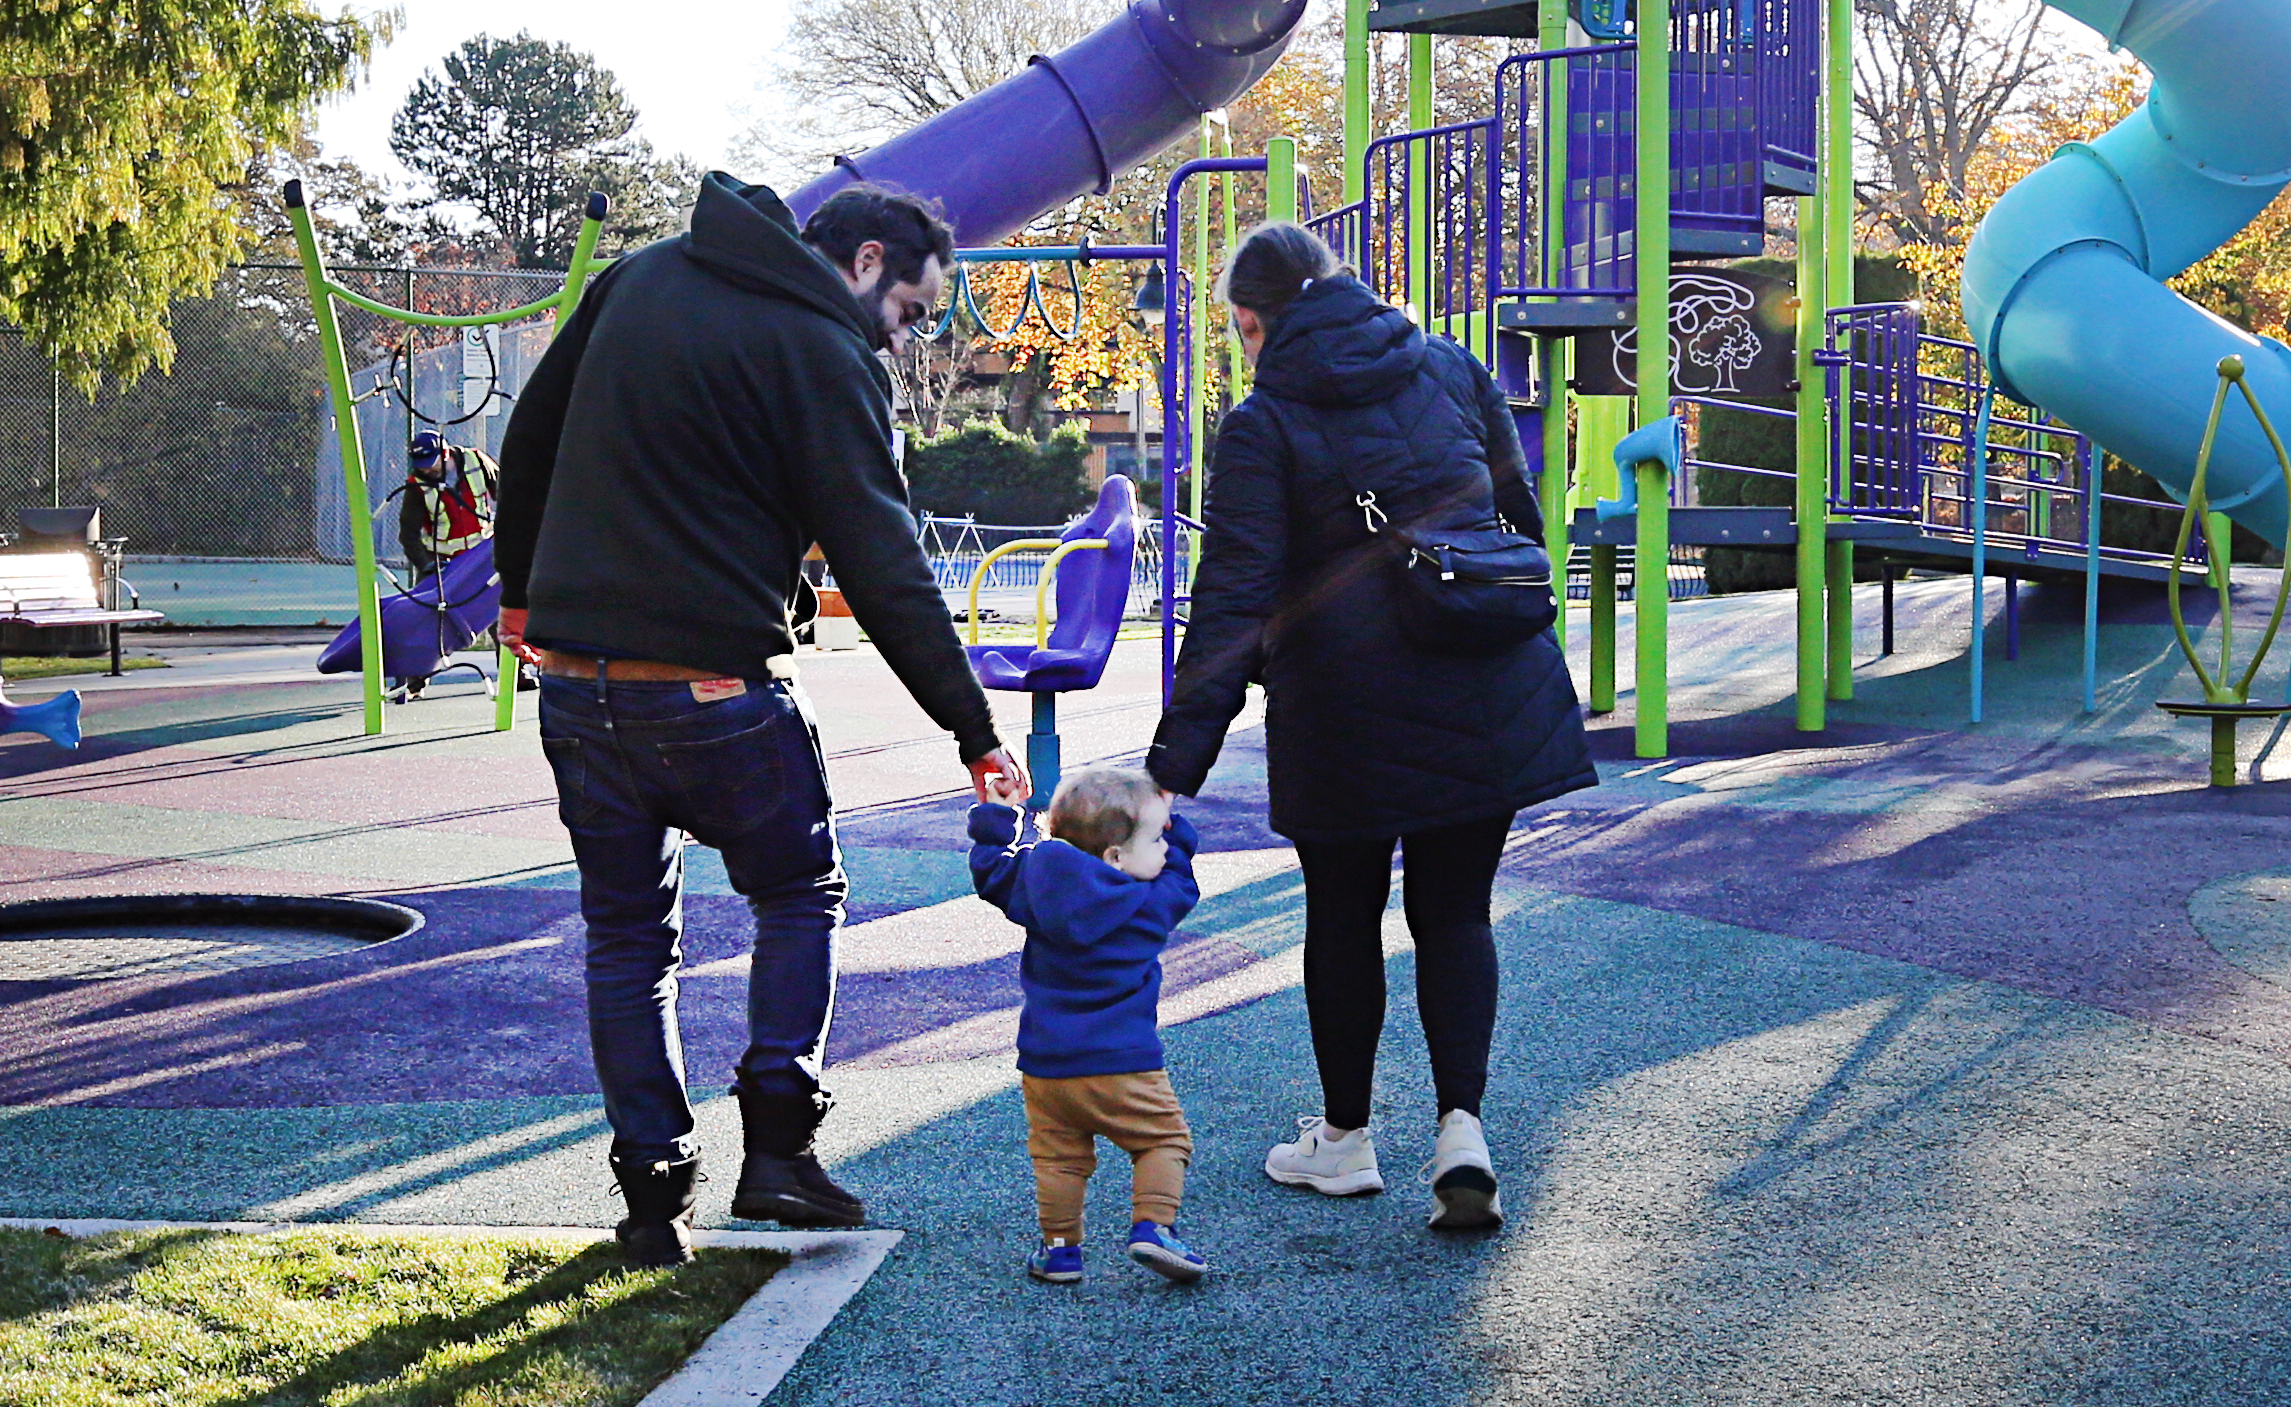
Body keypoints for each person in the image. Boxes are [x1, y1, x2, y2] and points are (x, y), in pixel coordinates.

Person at [498, 172, 1024, 1266]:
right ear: (867, 262)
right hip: (716, 689)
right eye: (910, 314)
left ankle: (652, 1197)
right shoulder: (821, 352)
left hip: (579, 679)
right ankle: (779, 1153)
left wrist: (517, 590)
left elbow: (534, 434)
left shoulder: (638, 279)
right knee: (797, 892)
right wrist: (970, 726)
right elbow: (883, 564)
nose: (900, 342)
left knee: (628, 937)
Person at [1148, 220, 1591, 1234]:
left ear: (1252, 322)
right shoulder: (1450, 367)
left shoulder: (1263, 423)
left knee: (1342, 917)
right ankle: (1462, 1131)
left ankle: (1344, 1143)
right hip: (1486, 682)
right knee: (1457, 912)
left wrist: (1175, 763)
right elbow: (1517, 522)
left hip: (1342, 708)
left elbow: (1234, 598)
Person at [968, 763, 1206, 1288]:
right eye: (1154, 839)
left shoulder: (1034, 885)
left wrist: (998, 815)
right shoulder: (1147, 907)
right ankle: (1154, 1226)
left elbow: (989, 868)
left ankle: (1060, 1250)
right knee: (1164, 1141)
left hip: (1046, 1064)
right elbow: (1180, 879)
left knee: (1059, 1159)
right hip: (1125, 1060)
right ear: (1116, 857)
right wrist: (1177, 824)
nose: (1163, 848)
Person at [397, 429, 497, 576]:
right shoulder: (416, 485)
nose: (426, 470)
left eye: (430, 463)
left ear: (445, 454)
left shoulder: (475, 459)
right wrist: (426, 564)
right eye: (421, 466)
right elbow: (408, 533)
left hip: (483, 553)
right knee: (429, 598)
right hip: (442, 562)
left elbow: (507, 492)